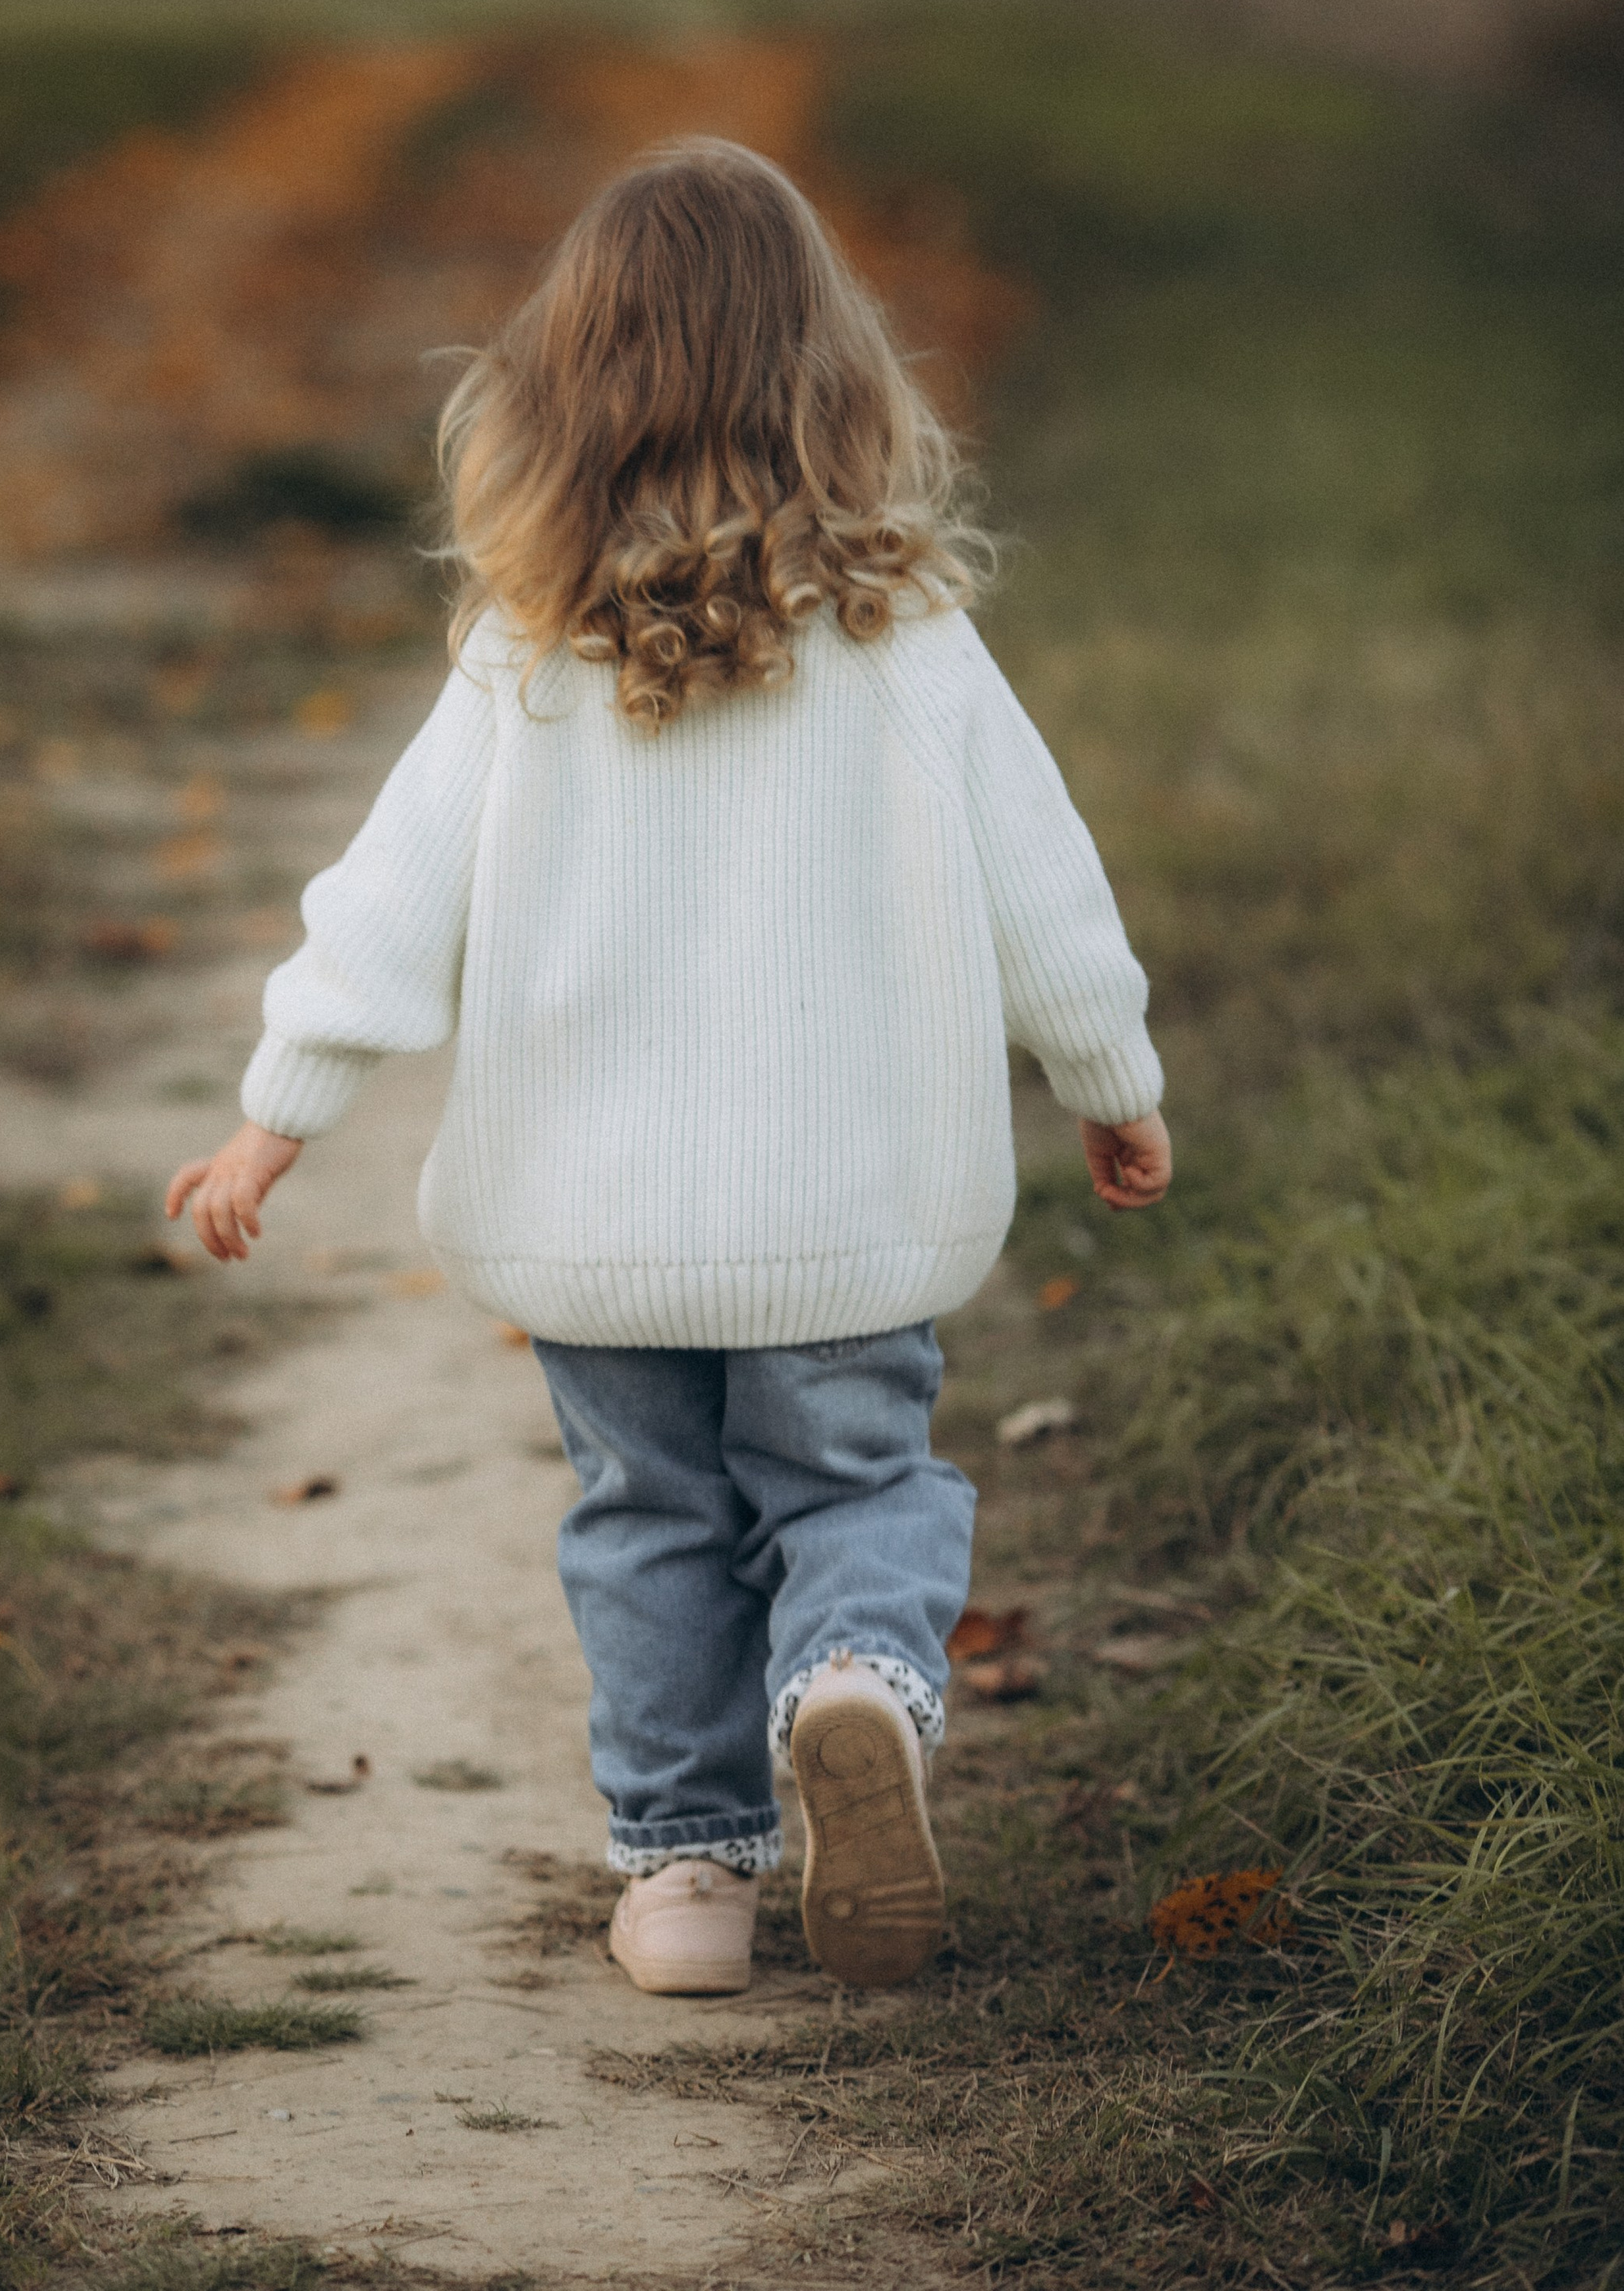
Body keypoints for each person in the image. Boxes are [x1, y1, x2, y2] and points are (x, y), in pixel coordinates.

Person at [167, 139, 1169, 1999]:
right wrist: (1109, 1075)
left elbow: (386, 903)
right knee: (855, 1485)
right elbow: (1047, 885)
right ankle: (853, 1684)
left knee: (645, 1525)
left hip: (595, 1220)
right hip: (848, 1206)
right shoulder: (909, 639)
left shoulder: (518, 655)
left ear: (560, 395)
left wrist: (273, 1112)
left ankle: (686, 1876)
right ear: (837, 381)